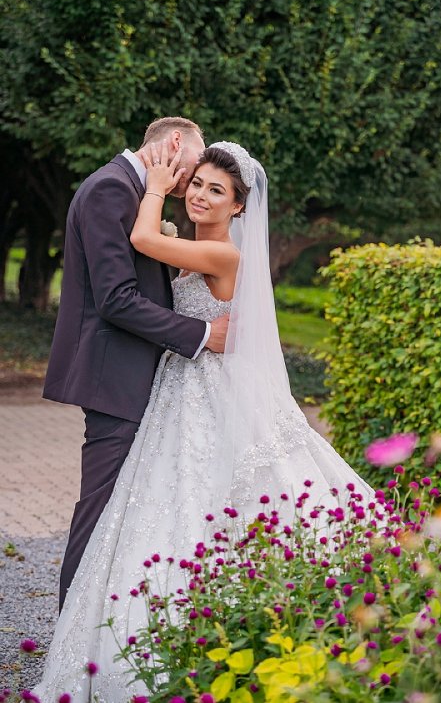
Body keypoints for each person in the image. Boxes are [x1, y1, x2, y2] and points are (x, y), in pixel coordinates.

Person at [34, 141, 373, 701]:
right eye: (198, 183)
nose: (199, 194)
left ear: (240, 207)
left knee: (208, 498)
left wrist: (157, 187)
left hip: (205, 386)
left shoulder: (224, 255)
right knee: (167, 499)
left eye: (216, 190)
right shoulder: (192, 243)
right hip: (181, 382)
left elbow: (143, 242)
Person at [43, 117, 230, 612]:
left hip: (139, 374)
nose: (191, 184)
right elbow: (116, 300)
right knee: (99, 507)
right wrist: (204, 334)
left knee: (124, 506)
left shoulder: (130, 188)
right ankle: (72, 628)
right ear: (173, 144)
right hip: (114, 377)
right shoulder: (112, 188)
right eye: (194, 171)